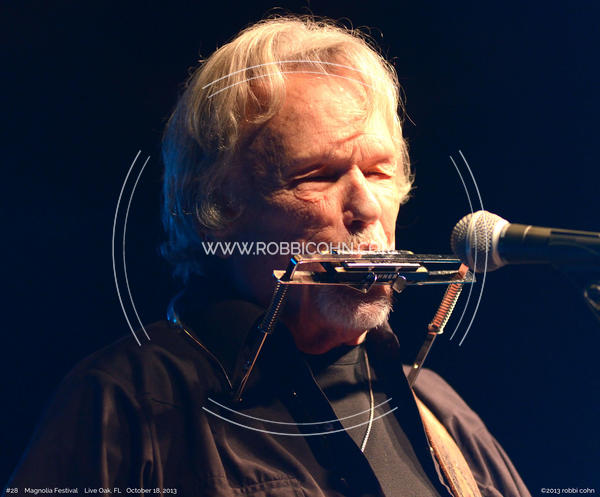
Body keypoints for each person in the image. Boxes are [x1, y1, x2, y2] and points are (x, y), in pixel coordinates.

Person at [6, 16, 531, 497]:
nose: (367, 207)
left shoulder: (442, 413)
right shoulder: (126, 403)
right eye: (318, 176)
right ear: (217, 205)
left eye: (378, 172)